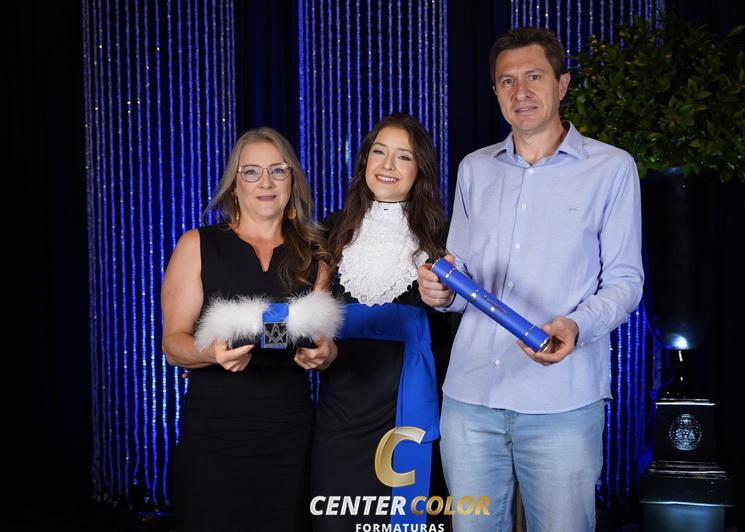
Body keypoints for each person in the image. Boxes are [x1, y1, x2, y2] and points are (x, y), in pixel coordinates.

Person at [417, 27, 644, 531]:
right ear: (495, 92)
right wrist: (441, 293)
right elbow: (463, 278)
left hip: (561, 400)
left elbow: (626, 281)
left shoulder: (611, 168)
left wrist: (576, 325)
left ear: (562, 84)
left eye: (534, 77)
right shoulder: (475, 169)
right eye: (507, 81)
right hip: (470, 399)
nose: (520, 92)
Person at [161, 127, 337, 531]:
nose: (266, 182)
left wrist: (326, 355)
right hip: (215, 432)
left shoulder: (316, 255)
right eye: (252, 171)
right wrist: (211, 354)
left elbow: (324, 345)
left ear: (292, 180)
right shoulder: (197, 245)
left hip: (289, 433)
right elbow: (173, 345)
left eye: (278, 170)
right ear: (234, 184)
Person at [311, 113, 447, 531]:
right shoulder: (331, 229)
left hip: (408, 403)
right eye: (379, 152)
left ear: (420, 169)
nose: (388, 165)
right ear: (365, 160)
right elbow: (307, 310)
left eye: (403, 156)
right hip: (342, 406)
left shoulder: (442, 237)